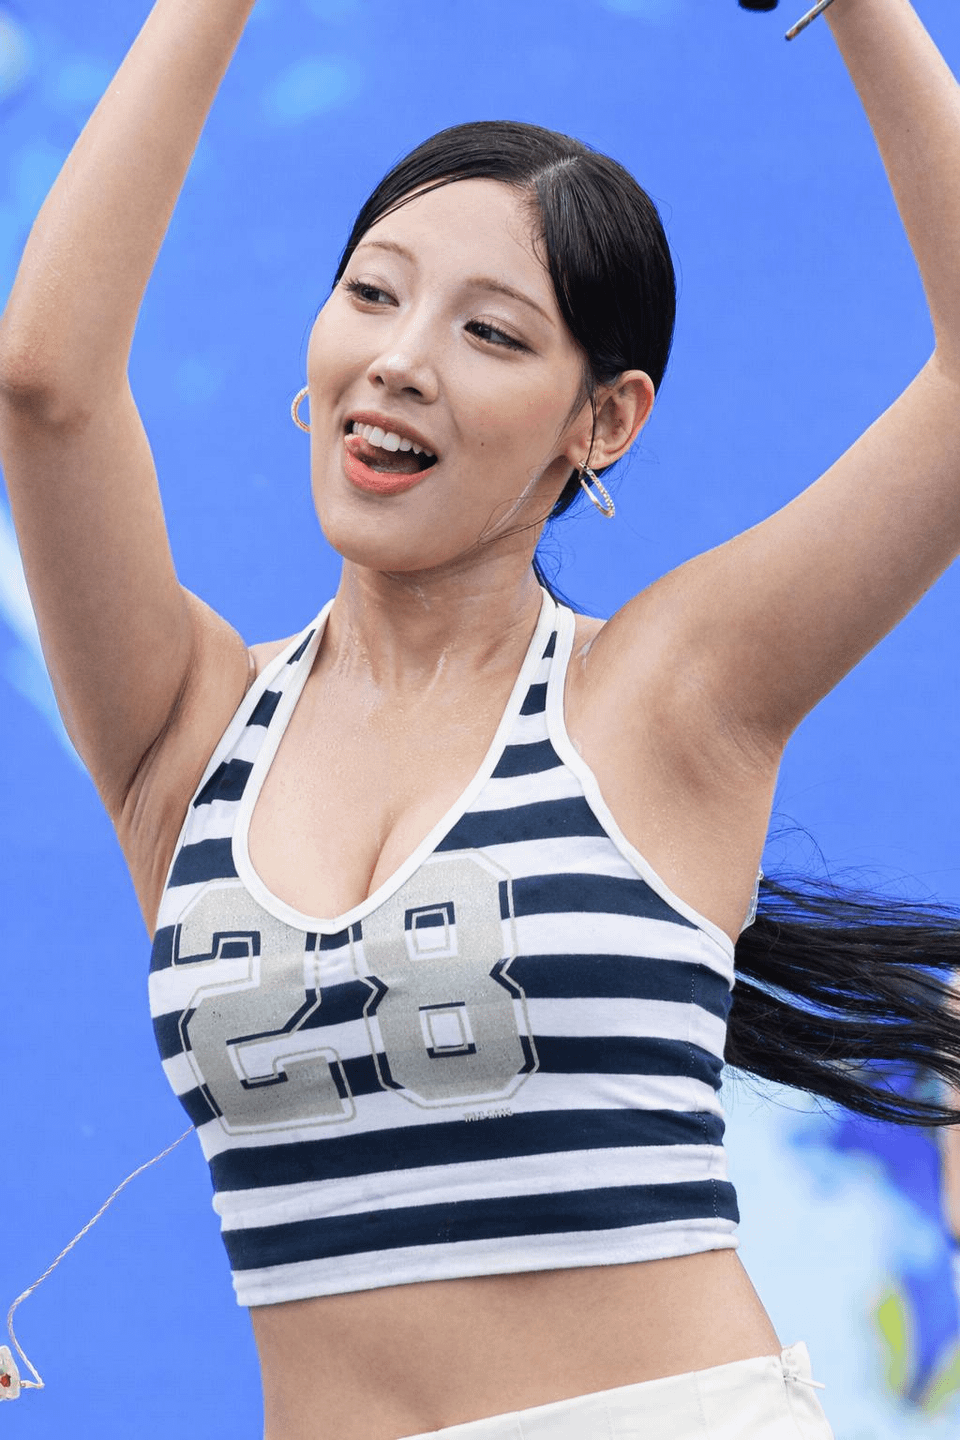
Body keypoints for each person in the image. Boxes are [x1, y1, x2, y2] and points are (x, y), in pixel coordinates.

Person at [1, 0, 959, 1436]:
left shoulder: (667, 696)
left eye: (491, 332)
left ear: (604, 421)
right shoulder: (188, 728)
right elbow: (45, 388)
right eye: (371, 295)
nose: (401, 358)